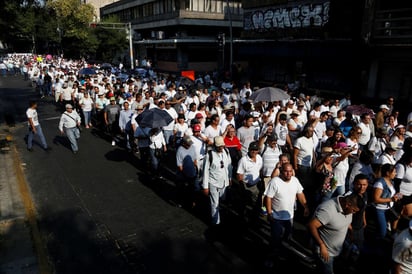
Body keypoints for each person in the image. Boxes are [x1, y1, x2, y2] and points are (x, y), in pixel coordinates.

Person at [264, 163, 309, 266]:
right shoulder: (275, 182)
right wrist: (269, 212)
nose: (288, 174)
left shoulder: (295, 180)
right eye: (286, 171)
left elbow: (300, 194)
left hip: (289, 217)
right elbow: (268, 198)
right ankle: (271, 258)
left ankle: (282, 254)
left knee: (286, 238)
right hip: (276, 217)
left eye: (290, 171)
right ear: (281, 171)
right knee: (275, 239)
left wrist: (305, 206)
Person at [307, 193, 365, 274]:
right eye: (353, 210)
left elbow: (345, 220)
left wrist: (350, 230)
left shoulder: (347, 209)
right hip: (326, 252)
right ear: (348, 204)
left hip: (338, 248)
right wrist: (321, 245)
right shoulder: (328, 210)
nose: (353, 213)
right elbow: (311, 225)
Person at [202, 136, 232, 225]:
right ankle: (216, 222)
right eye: (219, 146)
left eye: (222, 146)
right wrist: (205, 187)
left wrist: (230, 178)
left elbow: (229, 166)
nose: (221, 148)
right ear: (215, 145)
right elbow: (205, 172)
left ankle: (222, 216)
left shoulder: (226, 151)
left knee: (223, 200)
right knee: (214, 203)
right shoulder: (209, 155)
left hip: (224, 181)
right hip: (213, 182)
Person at [372, 163, 403, 240]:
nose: (395, 174)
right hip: (380, 210)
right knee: (382, 232)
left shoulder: (391, 181)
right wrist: (391, 199)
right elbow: (376, 199)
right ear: (387, 173)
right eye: (394, 172)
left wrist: (397, 195)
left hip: (388, 208)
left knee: (383, 228)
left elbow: (389, 194)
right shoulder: (379, 183)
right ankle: (375, 246)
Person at [175, 135, 198, 208]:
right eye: (188, 144)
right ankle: (180, 202)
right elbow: (180, 165)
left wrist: (195, 169)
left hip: (192, 172)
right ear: (183, 143)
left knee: (194, 188)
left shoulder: (192, 147)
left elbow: (194, 160)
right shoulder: (180, 150)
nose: (189, 145)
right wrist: (185, 175)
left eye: (190, 144)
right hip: (183, 173)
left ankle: (193, 201)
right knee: (182, 188)